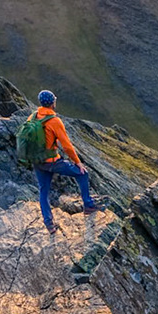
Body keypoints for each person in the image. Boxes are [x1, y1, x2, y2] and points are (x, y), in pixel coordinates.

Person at [20, 90, 100, 232]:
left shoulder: (32, 117)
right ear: (52, 102)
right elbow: (67, 146)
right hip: (52, 162)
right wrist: (77, 162)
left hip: (37, 161)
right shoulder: (54, 121)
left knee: (43, 191)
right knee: (82, 174)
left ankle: (49, 224)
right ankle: (88, 205)